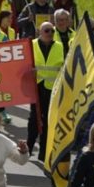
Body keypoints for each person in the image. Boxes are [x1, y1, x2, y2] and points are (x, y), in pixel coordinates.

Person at [26, 21, 64, 160]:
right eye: (47, 31)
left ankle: (44, 151)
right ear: (40, 32)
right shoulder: (31, 44)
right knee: (34, 119)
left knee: (48, 120)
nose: (50, 33)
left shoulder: (59, 46)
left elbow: (63, 66)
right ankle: (28, 147)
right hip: (36, 86)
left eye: (52, 31)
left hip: (52, 88)